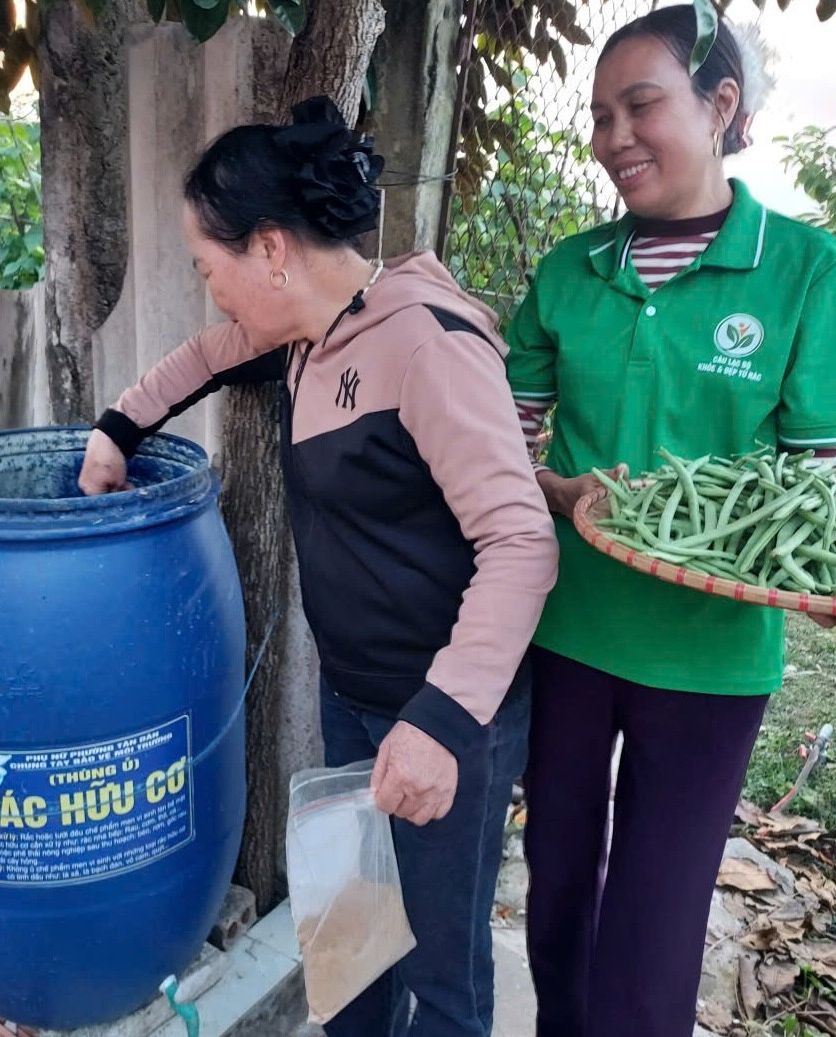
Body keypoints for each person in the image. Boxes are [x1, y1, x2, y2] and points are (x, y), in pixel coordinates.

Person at [80, 96, 558, 1037]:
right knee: (350, 940)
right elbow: (210, 353)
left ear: (268, 248)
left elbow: (520, 541)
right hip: (355, 701)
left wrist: (439, 722)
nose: (207, 286)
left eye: (207, 266)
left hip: (446, 719)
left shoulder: (426, 341)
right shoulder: (317, 330)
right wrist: (117, 427)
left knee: (440, 978)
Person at [506, 6, 836, 1036]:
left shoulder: (804, 271)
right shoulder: (570, 270)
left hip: (713, 650)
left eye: (640, 105)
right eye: (600, 115)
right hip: (567, 626)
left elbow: (813, 487)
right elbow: (506, 442)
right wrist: (559, 491)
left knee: (654, 924)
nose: (614, 137)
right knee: (556, 884)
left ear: (720, 105)